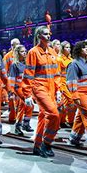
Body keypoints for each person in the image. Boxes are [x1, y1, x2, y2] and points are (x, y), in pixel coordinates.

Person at [21, 26, 60, 157]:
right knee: (54, 115)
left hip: (51, 89)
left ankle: (37, 146)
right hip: (39, 88)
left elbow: (57, 74)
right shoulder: (33, 52)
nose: (48, 36)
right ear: (39, 36)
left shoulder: (53, 52)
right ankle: (46, 143)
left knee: (43, 116)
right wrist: (27, 94)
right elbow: (28, 74)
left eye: (49, 34)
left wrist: (58, 90)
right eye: (45, 34)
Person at [8, 45, 34, 135]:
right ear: (17, 53)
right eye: (22, 51)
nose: (25, 53)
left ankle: (26, 124)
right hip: (18, 88)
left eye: (25, 51)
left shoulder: (28, 64)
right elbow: (11, 79)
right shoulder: (14, 65)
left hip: (27, 88)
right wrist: (11, 91)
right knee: (21, 106)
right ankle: (18, 127)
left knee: (31, 105)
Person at [57, 41, 76, 128]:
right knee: (67, 102)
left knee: (71, 103)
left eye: (69, 47)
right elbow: (57, 74)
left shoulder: (72, 60)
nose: (69, 49)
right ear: (62, 48)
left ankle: (69, 121)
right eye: (66, 47)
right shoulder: (59, 60)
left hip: (71, 84)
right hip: (63, 84)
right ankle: (62, 121)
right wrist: (59, 86)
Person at [3, 38, 21, 123]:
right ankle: (12, 118)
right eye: (16, 44)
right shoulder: (7, 56)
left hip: (20, 83)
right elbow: (4, 71)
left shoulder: (22, 55)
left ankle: (18, 118)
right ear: (12, 46)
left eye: (19, 43)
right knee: (12, 102)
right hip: (11, 83)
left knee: (20, 102)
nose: (18, 45)